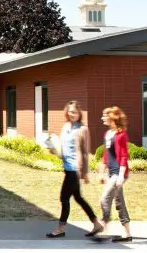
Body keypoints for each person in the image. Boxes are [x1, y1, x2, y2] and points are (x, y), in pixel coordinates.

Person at [46, 100, 103, 238]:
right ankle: (96, 224)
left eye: (75, 112)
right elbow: (62, 148)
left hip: (74, 169)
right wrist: (53, 149)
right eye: (70, 111)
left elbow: (85, 152)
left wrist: (84, 172)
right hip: (67, 167)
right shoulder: (65, 127)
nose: (73, 114)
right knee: (78, 198)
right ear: (67, 112)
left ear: (79, 113)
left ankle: (61, 228)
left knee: (64, 197)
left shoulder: (82, 129)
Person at [99, 106, 132, 243]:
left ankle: (103, 229)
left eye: (105, 116)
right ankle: (127, 234)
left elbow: (124, 156)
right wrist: (102, 172)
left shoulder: (121, 135)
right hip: (111, 172)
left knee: (104, 198)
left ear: (112, 118)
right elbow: (106, 155)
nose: (102, 118)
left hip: (119, 173)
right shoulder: (108, 134)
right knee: (119, 203)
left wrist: (120, 175)